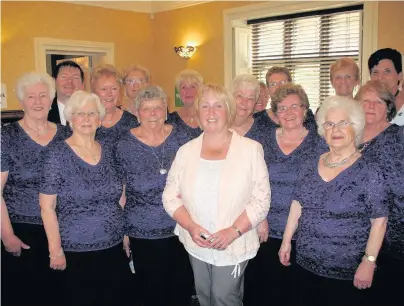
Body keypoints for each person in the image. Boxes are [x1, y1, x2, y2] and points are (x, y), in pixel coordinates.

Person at [163, 84, 270, 306]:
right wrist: (192, 227)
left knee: (224, 298)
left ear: (228, 111)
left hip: (234, 242)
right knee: (204, 297)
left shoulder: (251, 149)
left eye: (218, 106)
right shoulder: (186, 151)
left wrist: (233, 231)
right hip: (197, 240)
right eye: (205, 106)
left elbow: (261, 199)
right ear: (197, 113)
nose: (211, 112)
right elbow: (170, 196)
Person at [279, 96, 389, 306]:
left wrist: (369, 261)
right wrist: (286, 242)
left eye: (343, 123)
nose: (335, 129)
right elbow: (297, 203)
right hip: (305, 263)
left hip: (346, 271)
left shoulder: (369, 170)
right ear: (323, 129)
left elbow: (379, 221)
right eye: (329, 124)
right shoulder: (310, 163)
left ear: (355, 128)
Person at [39, 91, 131, 306]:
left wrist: (125, 235)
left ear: (99, 119)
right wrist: (55, 251)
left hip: (113, 247)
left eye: (92, 113)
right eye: (80, 113)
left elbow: (121, 196)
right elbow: (47, 207)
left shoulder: (109, 150)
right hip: (75, 251)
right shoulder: (56, 154)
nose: (87, 119)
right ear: (70, 119)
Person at [243, 83, 327, 306]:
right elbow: (250, 182)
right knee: (261, 290)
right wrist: (259, 219)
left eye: (294, 107)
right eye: (282, 108)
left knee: (295, 293)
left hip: (303, 233)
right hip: (264, 229)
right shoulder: (262, 140)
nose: (289, 113)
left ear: (305, 109)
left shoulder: (321, 143)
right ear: (275, 113)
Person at [115, 85, 194, 306]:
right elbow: (120, 192)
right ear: (137, 113)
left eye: (158, 108)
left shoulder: (183, 137)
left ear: (166, 110)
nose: (152, 114)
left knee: (180, 287)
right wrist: (124, 232)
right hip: (142, 230)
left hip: (181, 228)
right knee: (150, 291)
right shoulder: (123, 144)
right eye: (146, 109)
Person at [1, 72, 70, 306]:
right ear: (22, 101)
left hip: (62, 229)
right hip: (22, 231)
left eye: (43, 95)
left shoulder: (66, 134)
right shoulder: (6, 136)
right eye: (31, 96)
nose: (38, 101)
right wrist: (7, 235)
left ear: (51, 99)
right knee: (24, 294)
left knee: (59, 294)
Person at [354, 80, 404, 305]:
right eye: (365, 100)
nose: (371, 106)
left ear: (389, 107)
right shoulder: (346, 136)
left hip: (391, 239)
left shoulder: (400, 137)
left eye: (378, 101)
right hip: (349, 237)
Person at [255, 66, 317, 131]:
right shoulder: (258, 118)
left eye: (282, 83)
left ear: (291, 84)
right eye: (273, 84)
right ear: (268, 89)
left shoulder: (305, 114)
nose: (278, 88)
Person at [91, 64, 139, 142]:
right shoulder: (87, 121)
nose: (109, 94)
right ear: (94, 92)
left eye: (114, 88)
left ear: (119, 91)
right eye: (103, 89)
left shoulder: (132, 122)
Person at [368, 48, 403, 125]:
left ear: (400, 75)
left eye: (387, 71)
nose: (380, 77)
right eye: (375, 72)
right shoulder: (364, 106)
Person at [167, 69, 203, 138]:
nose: (188, 91)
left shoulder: (208, 117)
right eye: (183, 87)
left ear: (200, 90)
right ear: (178, 92)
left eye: (193, 86)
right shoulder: (170, 120)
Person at [48, 60, 84, 125]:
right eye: (64, 77)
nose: (70, 81)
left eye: (75, 77)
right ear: (54, 82)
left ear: (82, 84)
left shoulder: (92, 111)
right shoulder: (44, 112)